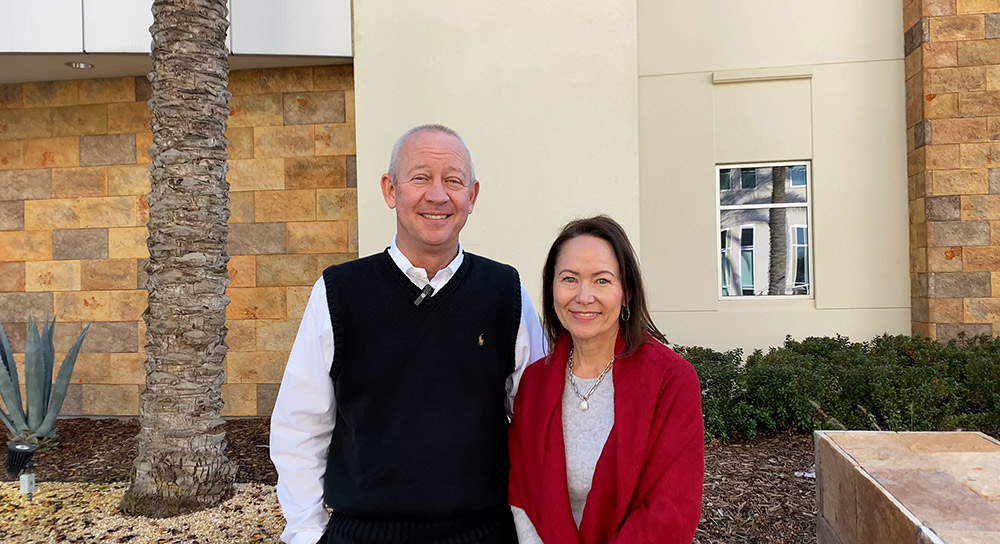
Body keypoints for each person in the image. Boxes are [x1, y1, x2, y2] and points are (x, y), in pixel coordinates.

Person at [270, 124, 547, 544]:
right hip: (363, 534)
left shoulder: (505, 292)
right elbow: (300, 426)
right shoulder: (338, 293)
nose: (437, 195)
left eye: (453, 181)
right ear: (390, 190)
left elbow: (537, 427)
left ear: (472, 196)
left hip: (482, 533)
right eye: (420, 178)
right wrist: (308, 534)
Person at [508, 215, 704, 544]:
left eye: (601, 280)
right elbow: (522, 493)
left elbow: (670, 510)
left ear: (626, 292)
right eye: (569, 279)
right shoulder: (534, 383)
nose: (584, 296)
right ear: (552, 288)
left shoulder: (671, 381)